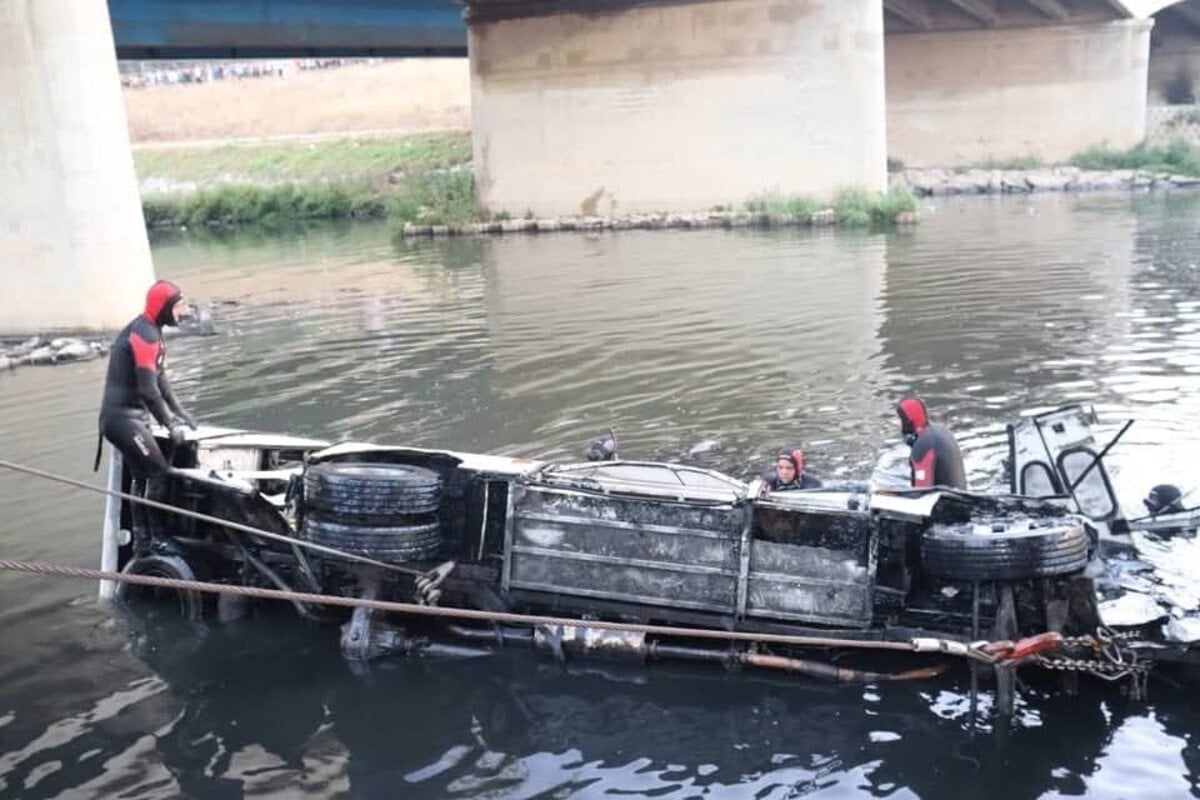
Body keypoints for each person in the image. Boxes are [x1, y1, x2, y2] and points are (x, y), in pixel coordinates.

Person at [96, 280, 198, 484]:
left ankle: (141, 517)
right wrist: (170, 425)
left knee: (142, 477)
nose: (182, 312)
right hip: (122, 420)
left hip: (131, 418)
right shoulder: (145, 336)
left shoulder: (151, 330)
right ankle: (152, 517)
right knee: (159, 474)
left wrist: (179, 411)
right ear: (163, 308)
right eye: (177, 307)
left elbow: (160, 377)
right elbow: (149, 391)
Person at [896, 395, 967, 490]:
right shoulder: (941, 431)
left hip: (944, 503)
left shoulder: (923, 445)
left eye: (900, 419)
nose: (897, 424)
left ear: (908, 421)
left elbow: (922, 491)